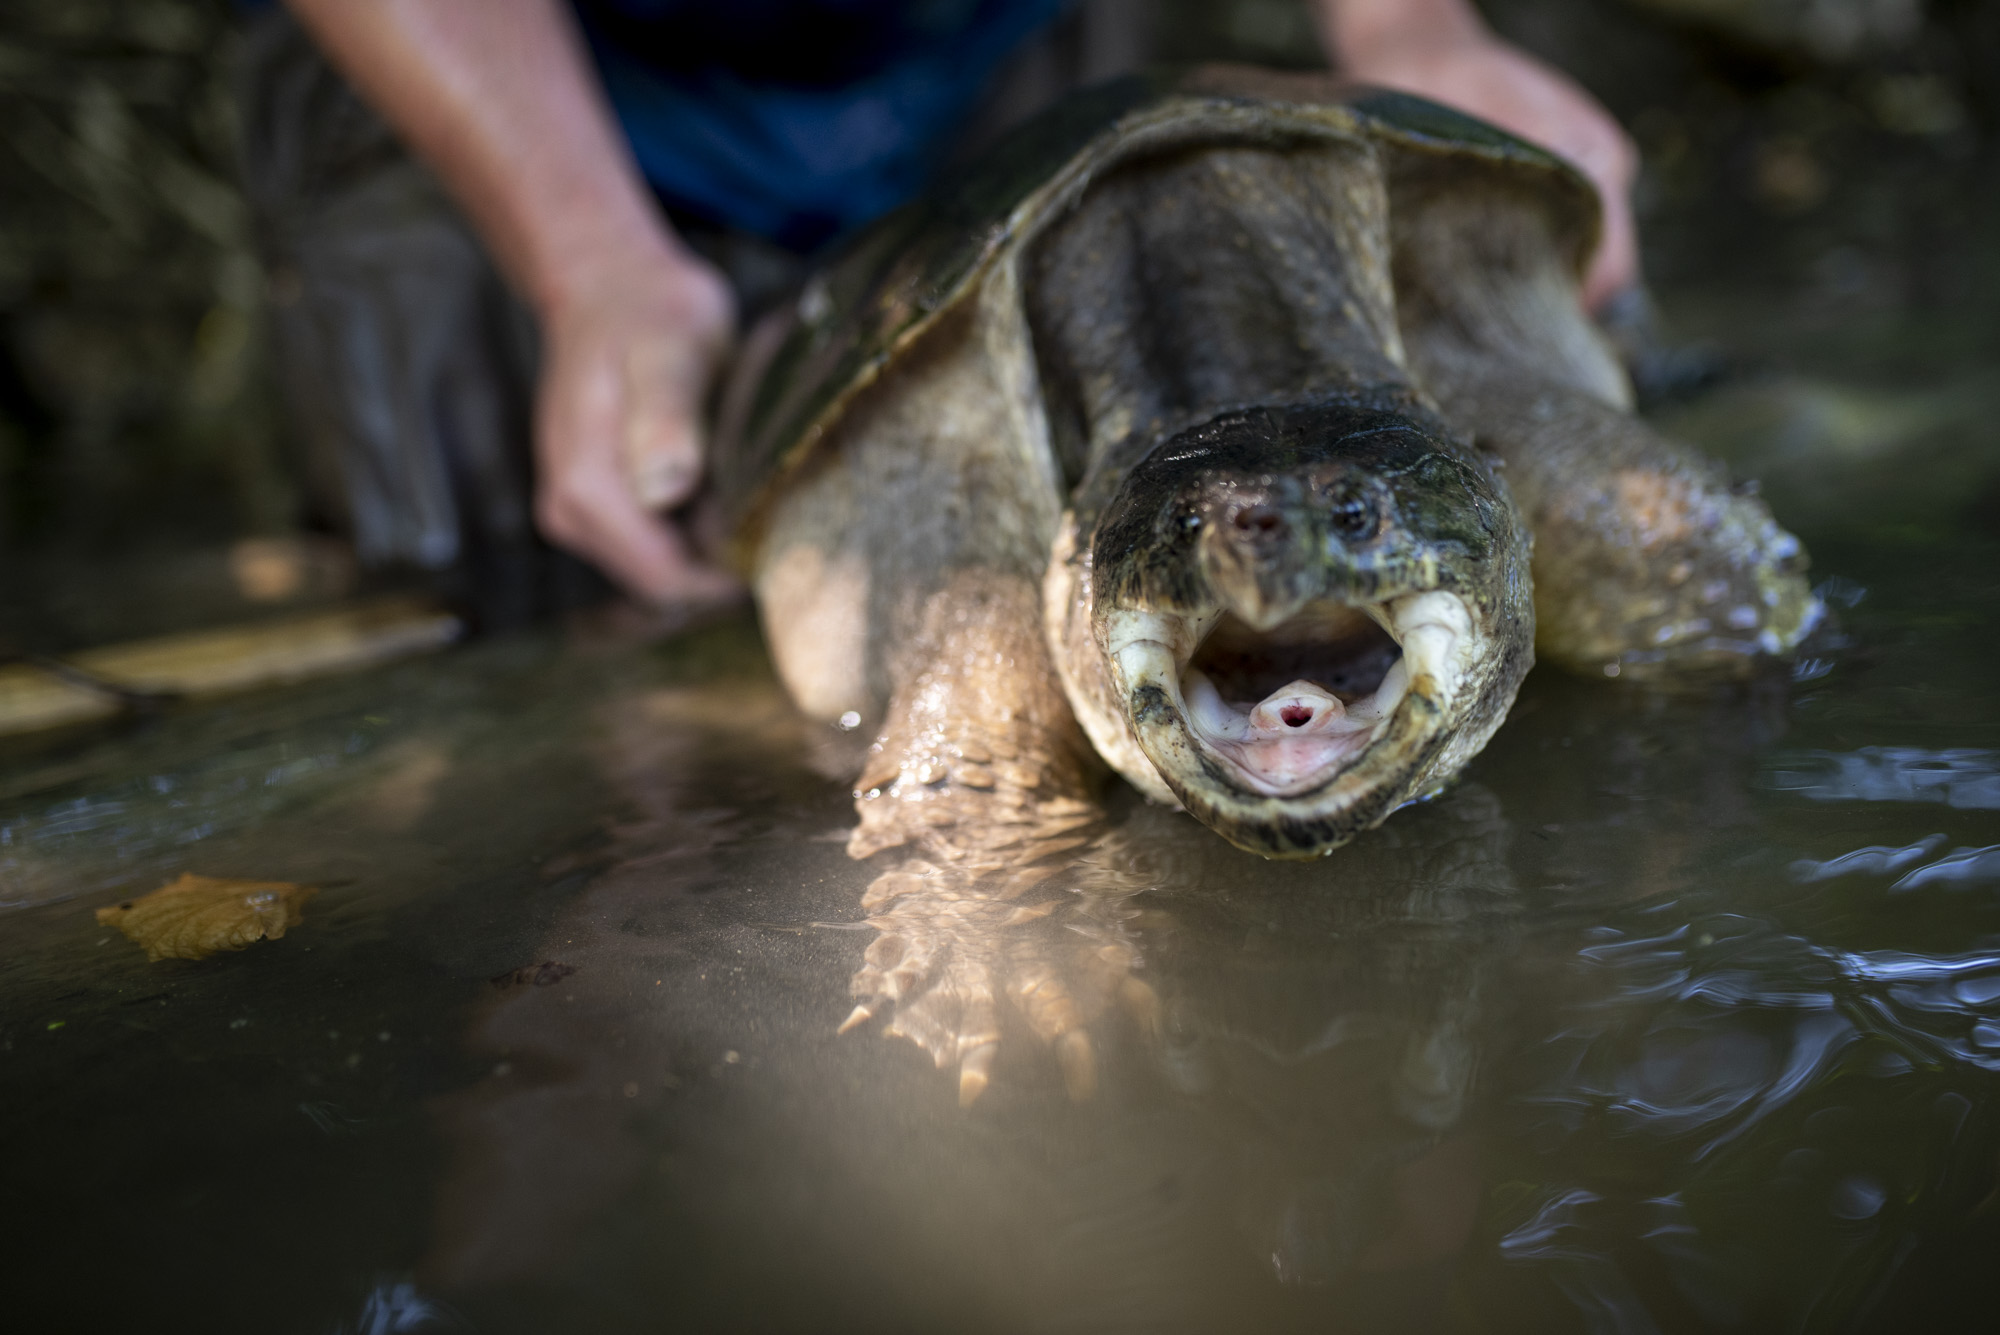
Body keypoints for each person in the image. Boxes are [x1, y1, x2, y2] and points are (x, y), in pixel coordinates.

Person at [260, 0, 1636, 618]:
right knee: (534, 557)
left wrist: (1410, 34)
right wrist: (583, 259)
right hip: (559, 73)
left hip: (995, 44)